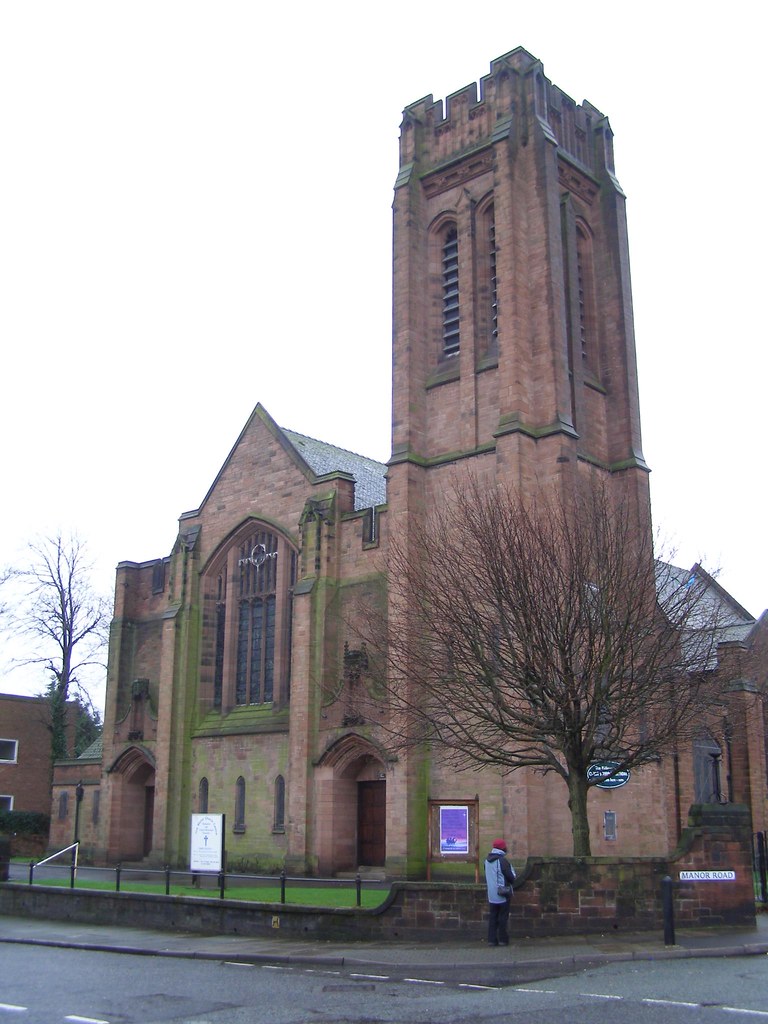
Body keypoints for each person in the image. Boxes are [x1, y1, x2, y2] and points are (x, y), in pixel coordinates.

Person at [484, 837, 516, 946]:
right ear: (503, 848)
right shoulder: (502, 861)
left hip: (491, 895)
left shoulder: (486, 861)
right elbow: (511, 877)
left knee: (493, 917)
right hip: (502, 894)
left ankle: (491, 940)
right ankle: (503, 940)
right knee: (503, 918)